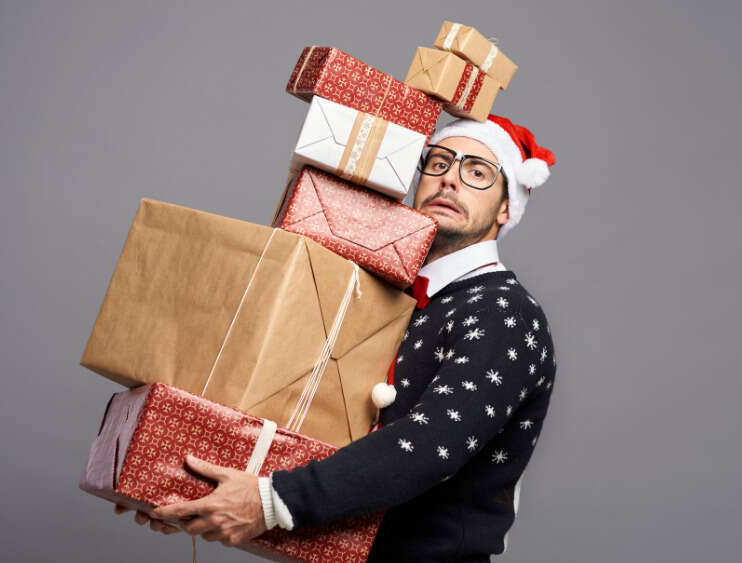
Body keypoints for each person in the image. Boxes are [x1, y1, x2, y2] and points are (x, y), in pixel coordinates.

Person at [118, 114, 558, 561]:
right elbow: (301, 410)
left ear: (507, 206)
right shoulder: (375, 293)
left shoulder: (507, 315)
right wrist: (194, 490)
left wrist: (270, 502)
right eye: (439, 163)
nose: (449, 181)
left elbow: (429, 445)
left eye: (477, 172)